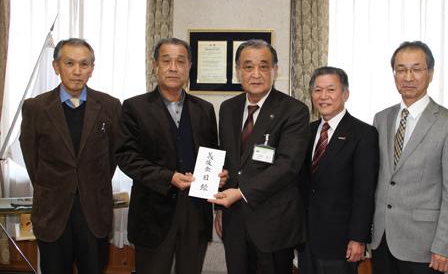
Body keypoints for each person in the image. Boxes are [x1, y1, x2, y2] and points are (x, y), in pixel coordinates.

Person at [115, 38, 227, 274]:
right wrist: (168, 177)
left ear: (189, 67)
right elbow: (126, 157)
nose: (173, 68)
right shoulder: (134, 108)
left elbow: (212, 153)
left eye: (180, 61)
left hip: (195, 213)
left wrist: (219, 176)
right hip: (152, 213)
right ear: (155, 65)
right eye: (167, 61)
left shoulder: (204, 109)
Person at [19, 38, 121, 274]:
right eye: (69, 63)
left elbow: (113, 156)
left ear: (92, 69)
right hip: (52, 213)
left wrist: (91, 181)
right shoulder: (35, 107)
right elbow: (32, 159)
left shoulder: (110, 106)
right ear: (56, 67)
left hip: (94, 213)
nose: (77, 71)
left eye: (84, 64)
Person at [370, 41, 448, 274]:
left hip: (425, 246)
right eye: (401, 69)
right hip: (382, 240)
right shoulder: (381, 118)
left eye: (416, 69)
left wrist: (445, 247)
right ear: (394, 74)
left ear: (431, 74)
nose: (408, 76)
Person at [209, 39, 310, 274]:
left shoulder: (294, 110)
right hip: (234, 220)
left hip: (274, 222)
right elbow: (228, 160)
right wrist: (219, 196)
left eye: (263, 66)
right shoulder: (228, 108)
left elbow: (288, 165)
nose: (256, 74)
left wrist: (242, 192)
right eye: (248, 66)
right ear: (237, 72)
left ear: (275, 70)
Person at [298, 66, 379, 274]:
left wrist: (358, 238)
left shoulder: (364, 134)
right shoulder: (306, 132)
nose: (323, 96)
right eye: (317, 90)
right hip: (307, 239)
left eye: (330, 90)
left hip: (341, 242)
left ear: (345, 94)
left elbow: (365, 192)